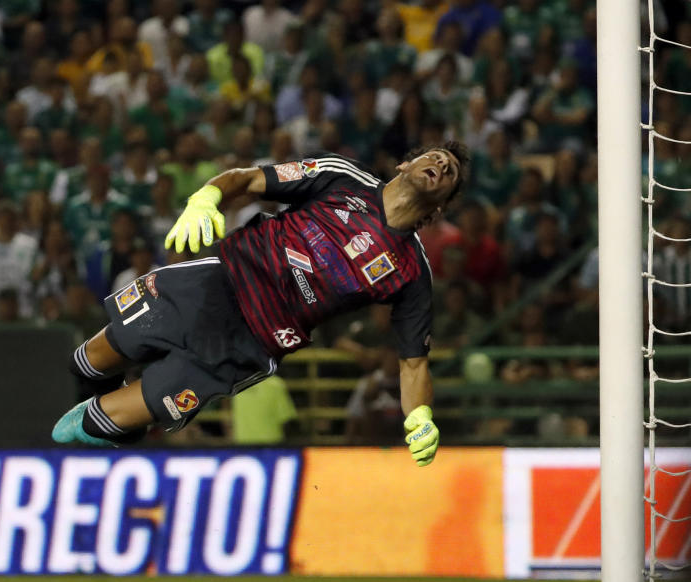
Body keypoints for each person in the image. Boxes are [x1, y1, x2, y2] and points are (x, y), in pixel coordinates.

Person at [53, 142, 471, 468]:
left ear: (442, 205)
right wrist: (205, 199)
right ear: (404, 165)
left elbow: (413, 364)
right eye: (434, 157)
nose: (441, 165)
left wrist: (419, 417)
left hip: (251, 342)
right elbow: (248, 179)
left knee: (92, 424)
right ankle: (114, 400)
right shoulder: (344, 178)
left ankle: (116, 428)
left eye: (449, 172)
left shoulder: (412, 271)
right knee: (85, 363)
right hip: (216, 281)